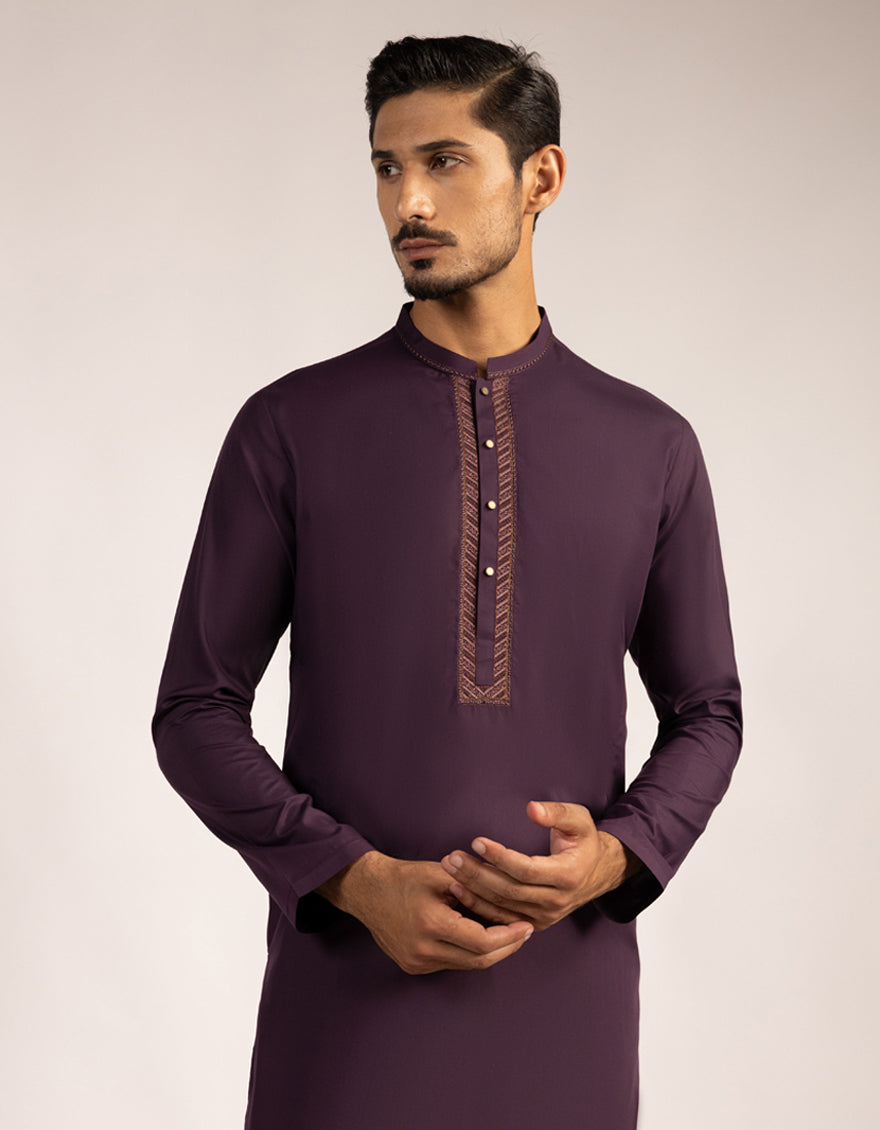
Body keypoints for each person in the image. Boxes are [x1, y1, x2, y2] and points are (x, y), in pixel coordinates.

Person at [153, 35, 742, 1130]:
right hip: (344, 1024)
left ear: (541, 177)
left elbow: (708, 711)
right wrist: (355, 878)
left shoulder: (650, 444)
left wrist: (616, 854)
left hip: (566, 1017)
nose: (408, 202)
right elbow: (193, 709)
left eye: (445, 161)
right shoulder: (291, 426)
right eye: (387, 167)